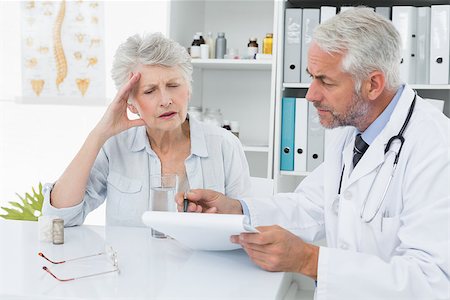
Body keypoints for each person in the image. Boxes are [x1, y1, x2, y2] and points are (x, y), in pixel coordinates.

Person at [176, 8, 450, 299]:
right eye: (311, 77)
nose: (310, 94)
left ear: (373, 84)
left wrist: (311, 261)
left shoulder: (435, 147)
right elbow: (312, 206)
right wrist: (237, 210)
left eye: (326, 81)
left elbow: (432, 281)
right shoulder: (351, 129)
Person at [42, 33, 251, 227]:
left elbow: (246, 223)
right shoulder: (115, 145)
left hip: (203, 264)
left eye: (174, 85)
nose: (166, 100)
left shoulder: (224, 144)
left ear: (188, 90)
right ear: (130, 104)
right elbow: (59, 218)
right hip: (130, 266)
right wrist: (98, 135)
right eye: (149, 91)